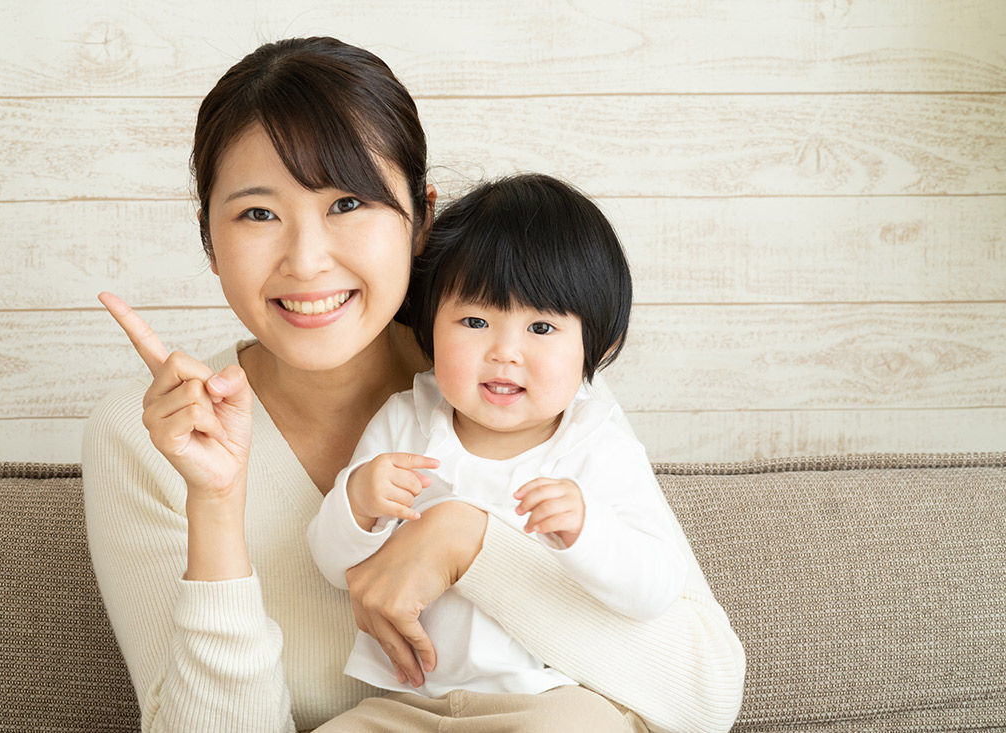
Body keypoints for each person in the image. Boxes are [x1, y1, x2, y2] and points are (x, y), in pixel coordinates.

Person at [81, 37, 745, 733]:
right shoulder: (148, 436)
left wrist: (467, 542)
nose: (307, 261)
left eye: (347, 204)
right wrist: (215, 504)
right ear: (209, 240)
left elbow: (704, 696)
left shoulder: (510, 375)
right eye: (257, 213)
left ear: (420, 219)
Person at [306, 174, 694, 728]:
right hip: (412, 702)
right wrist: (358, 501)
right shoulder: (406, 420)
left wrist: (589, 532)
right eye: (474, 321)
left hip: (547, 697)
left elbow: (656, 587)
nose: (504, 353)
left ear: (598, 344)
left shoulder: (596, 444)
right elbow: (332, 565)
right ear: (428, 326)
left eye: (541, 326)